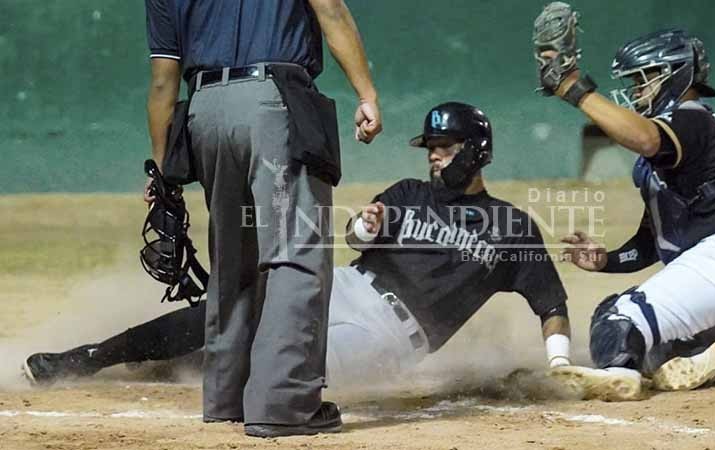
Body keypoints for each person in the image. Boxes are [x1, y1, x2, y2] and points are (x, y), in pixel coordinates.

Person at [25, 103, 573, 396]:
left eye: (444, 148)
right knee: (230, 313)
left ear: (476, 152)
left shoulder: (512, 227)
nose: (434, 158)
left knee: (272, 374)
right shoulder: (408, 194)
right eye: (429, 149)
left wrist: (561, 364)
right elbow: (358, 238)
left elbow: (550, 303)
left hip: (389, 337)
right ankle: (91, 358)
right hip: (345, 286)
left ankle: (177, 370)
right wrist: (365, 225)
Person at [533, 6, 715, 401]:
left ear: (674, 76)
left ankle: (616, 376)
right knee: (656, 348)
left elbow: (645, 138)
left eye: (643, 79)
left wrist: (573, 87)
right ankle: (695, 358)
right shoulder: (675, 149)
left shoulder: (692, 117)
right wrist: (606, 260)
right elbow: (652, 242)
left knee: (616, 319)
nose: (637, 91)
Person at [143, 0, 382, 437]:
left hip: (205, 112)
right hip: (272, 101)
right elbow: (329, 9)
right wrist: (366, 94)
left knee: (234, 260)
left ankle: (225, 397)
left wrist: (163, 174)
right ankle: (283, 404)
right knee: (296, 253)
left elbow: (163, 81)